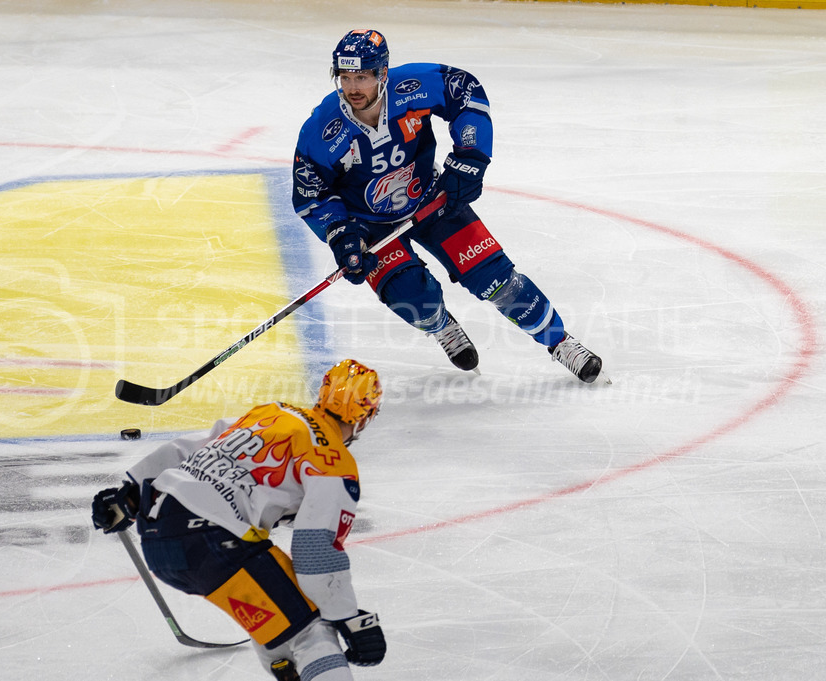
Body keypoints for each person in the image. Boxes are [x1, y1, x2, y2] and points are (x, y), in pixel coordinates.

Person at [292, 29, 603, 383]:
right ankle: (440, 326)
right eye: (345, 78)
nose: (353, 88)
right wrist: (340, 233)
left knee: (499, 281)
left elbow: (465, 92)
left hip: (431, 200)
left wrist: (471, 155)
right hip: (371, 226)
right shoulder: (322, 129)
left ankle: (560, 341)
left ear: (383, 73)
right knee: (413, 298)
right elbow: (310, 194)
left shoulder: (413, 85)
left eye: (362, 76)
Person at [91, 359, 387, 681]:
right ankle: (293, 657)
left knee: (284, 611)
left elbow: (193, 448)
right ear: (365, 416)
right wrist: (346, 616)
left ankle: (284, 662)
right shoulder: (334, 462)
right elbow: (315, 551)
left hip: (159, 534)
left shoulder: (272, 412)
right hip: (211, 544)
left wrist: (131, 494)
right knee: (312, 629)